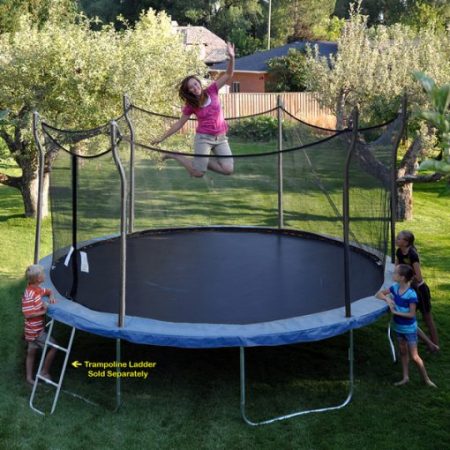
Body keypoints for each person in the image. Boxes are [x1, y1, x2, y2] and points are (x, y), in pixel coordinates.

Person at [152, 42, 235, 177]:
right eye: (191, 87)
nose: (195, 88)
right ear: (189, 91)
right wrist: (161, 138)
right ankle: (175, 155)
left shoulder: (212, 90)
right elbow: (179, 124)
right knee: (197, 173)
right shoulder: (191, 105)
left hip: (220, 137)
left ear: (199, 83)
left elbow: (228, 74)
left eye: (195, 84)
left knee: (228, 169)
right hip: (204, 138)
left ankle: (202, 160)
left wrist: (231, 57)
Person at [376, 264, 436, 387]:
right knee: (403, 352)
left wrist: (395, 312)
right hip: (398, 328)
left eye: (395, 273)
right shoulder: (394, 288)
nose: (393, 275)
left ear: (402, 278)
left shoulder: (411, 295)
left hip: (409, 329)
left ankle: (426, 379)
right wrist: (388, 300)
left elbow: (411, 314)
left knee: (414, 356)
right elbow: (379, 294)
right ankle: (405, 377)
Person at [395, 230, 439, 352]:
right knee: (410, 317)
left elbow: (418, 277)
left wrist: (405, 277)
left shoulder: (412, 255)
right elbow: (397, 268)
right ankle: (427, 342)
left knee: (427, 318)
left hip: (420, 290)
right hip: (410, 290)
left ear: (406, 242)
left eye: (399, 238)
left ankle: (435, 344)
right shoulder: (399, 251)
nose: (396, 239)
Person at [22, 264, 57, 385]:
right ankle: (44, 372)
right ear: (38, 278)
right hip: (35, 331)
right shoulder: (29, 294)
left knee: (31, 352)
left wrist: (51, 296)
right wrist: (44, 311)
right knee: (54, 347)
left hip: (32, 330)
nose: (44, 275)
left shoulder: (37, 289)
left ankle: (29, 378)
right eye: (43, 274)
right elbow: (27, 314)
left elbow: (48, 291)